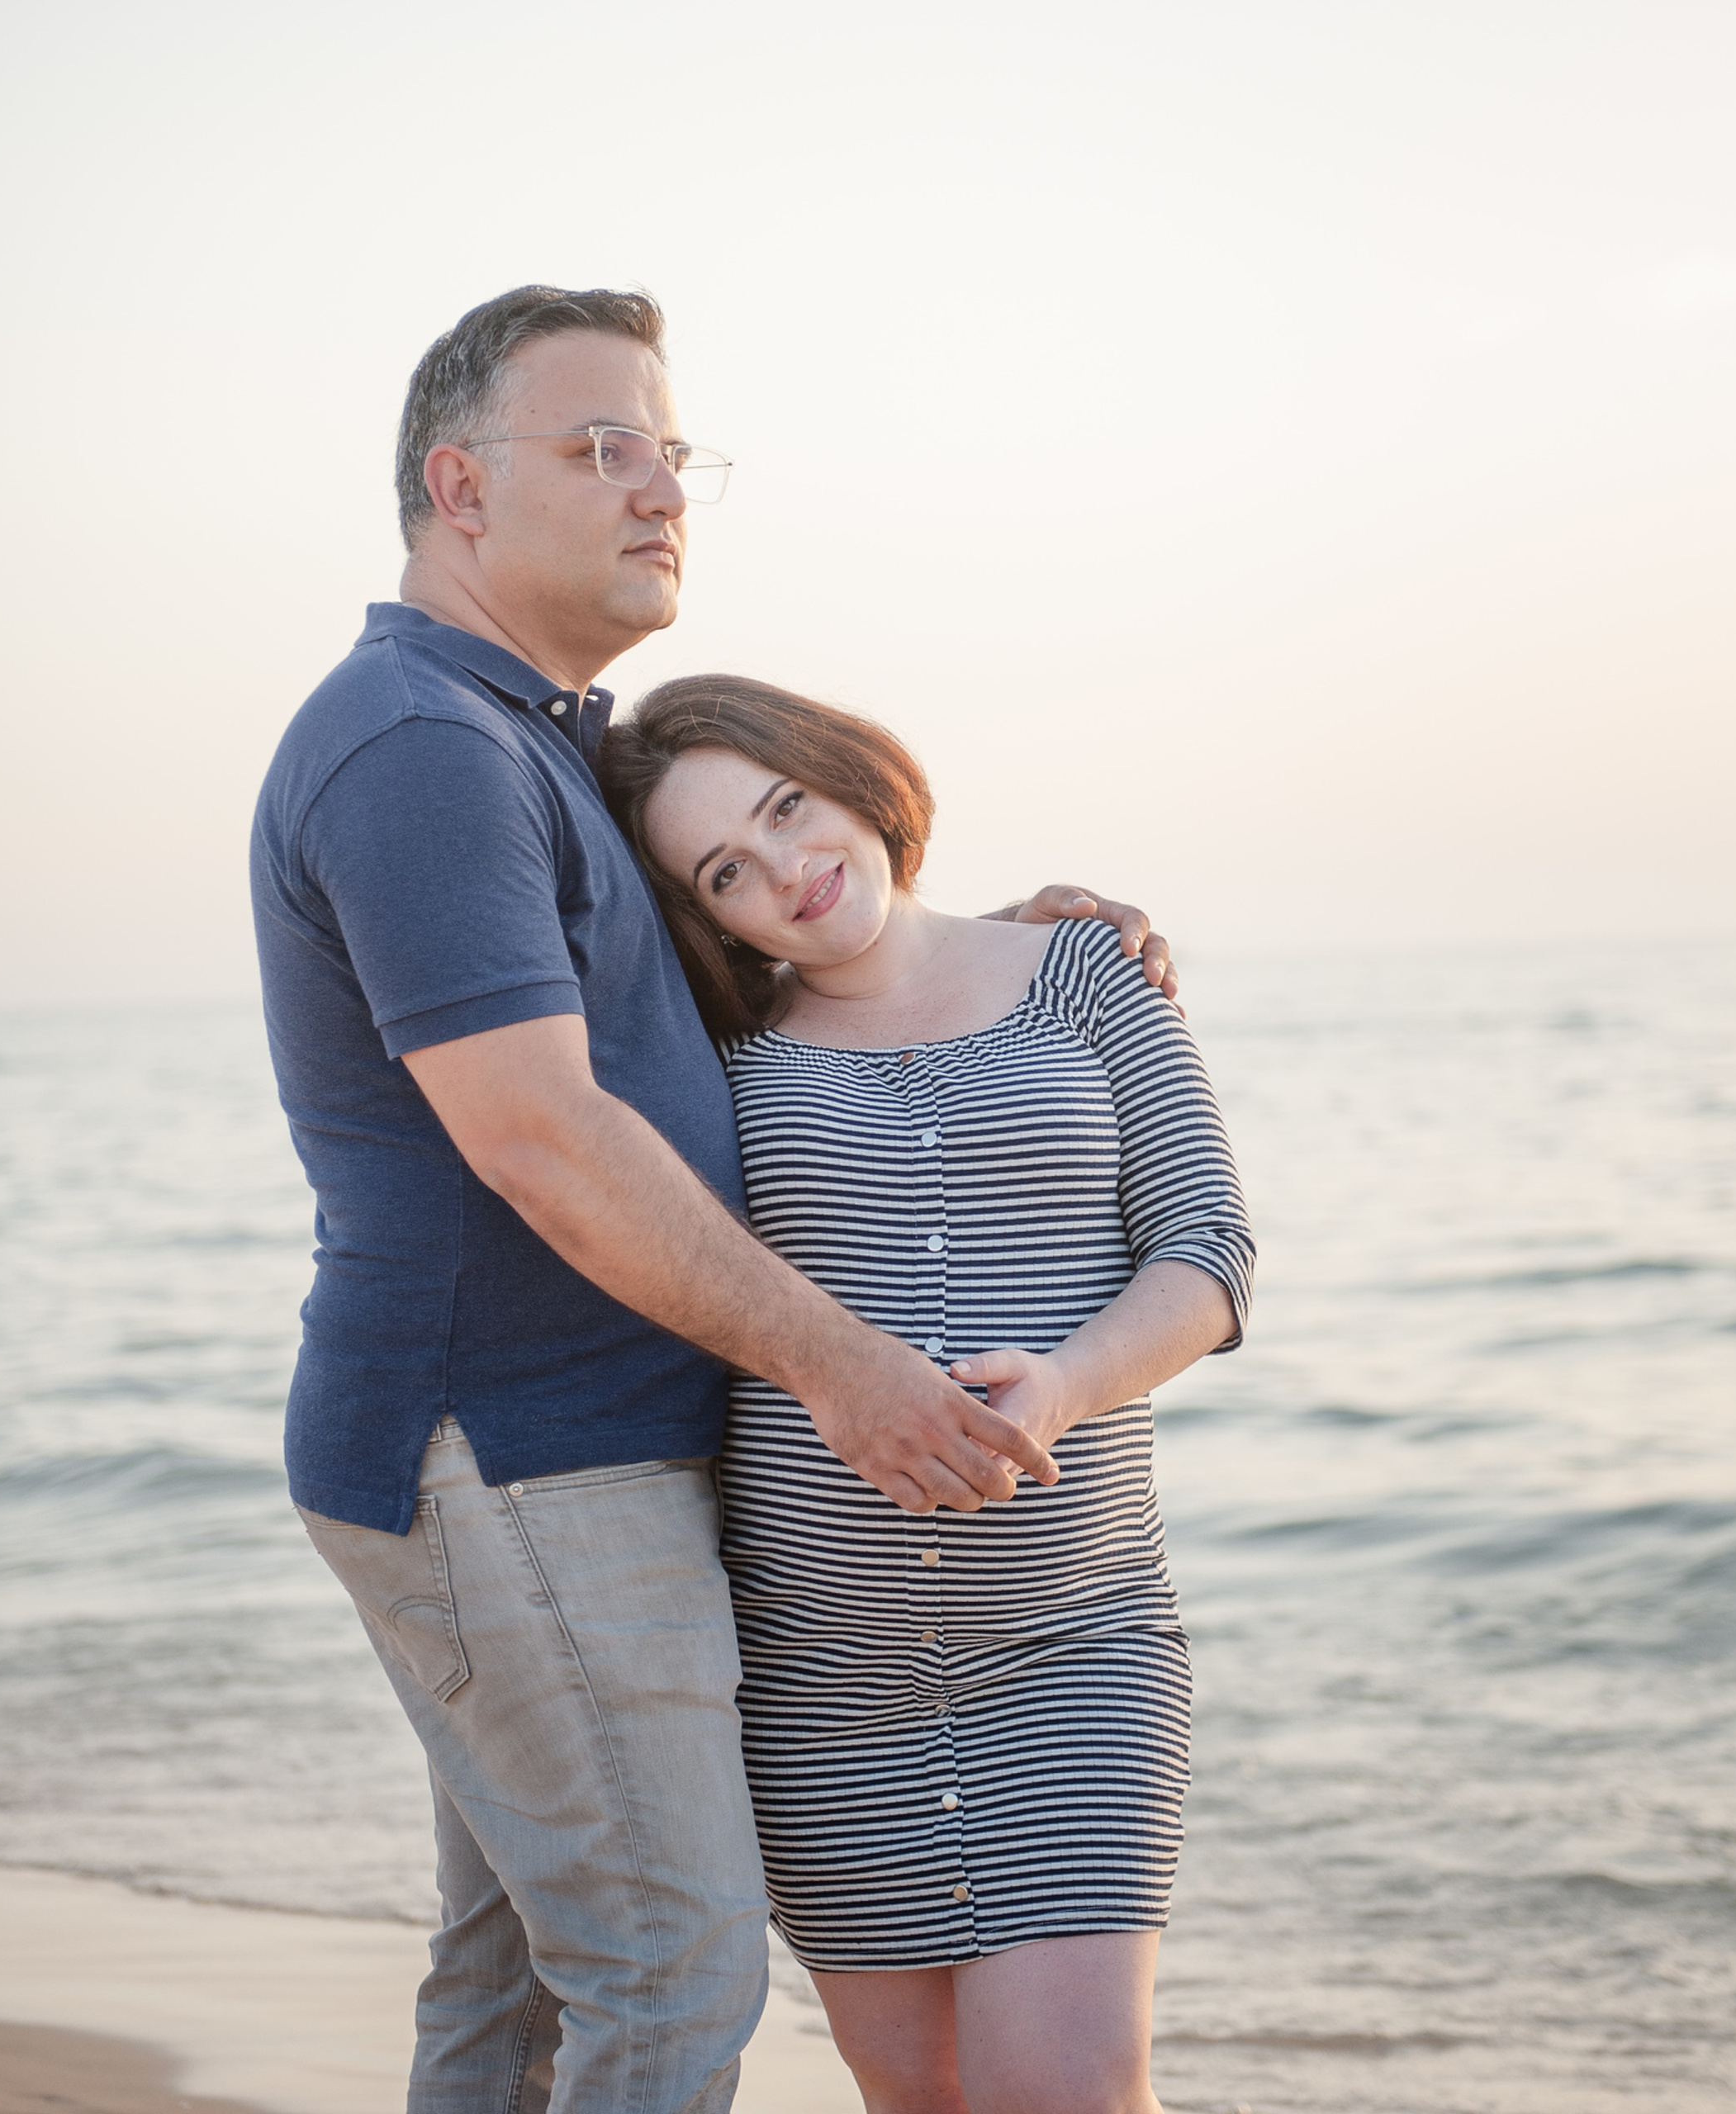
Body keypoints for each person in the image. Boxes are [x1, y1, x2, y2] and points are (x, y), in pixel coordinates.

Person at [249, 283, 1179, 2114]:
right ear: (459, 485)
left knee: (513, 1978)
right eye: (602, 448)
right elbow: (538, 1131)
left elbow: (754, 962)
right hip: (518, 1457)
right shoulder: (422, 745)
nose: (657, 487)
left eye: (672, 452)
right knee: (670, 1978)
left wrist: (1001, 944)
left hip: (555, 1457)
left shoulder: (538, 743)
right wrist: (840, 1364)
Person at [598, 676, 1255, 2114]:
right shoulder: (715, 1057)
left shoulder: (1086, 972)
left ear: (845, 775)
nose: (787, 870)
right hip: (818, 1683)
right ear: (706, 915)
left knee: (1071, 2096)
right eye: (728, 872)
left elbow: (1211, 1254)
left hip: (1075, 1649)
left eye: (788, 809)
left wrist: (1070, 1385)